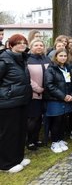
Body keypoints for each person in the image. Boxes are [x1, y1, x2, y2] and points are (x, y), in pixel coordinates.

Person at [0, 34, 32, 173]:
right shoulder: (4, 60)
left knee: (20, 131)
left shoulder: (23, 59)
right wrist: (6, 94)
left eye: (24, 42)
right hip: (8, 103)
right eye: (18, 43)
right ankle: (6, 164)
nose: (22, 45)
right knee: (9, 133)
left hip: (21, 101)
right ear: (11, 45)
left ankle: (17, 158)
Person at [44, 48, 72, 153]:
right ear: (56, 57)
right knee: (56, 120)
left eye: (65, 56)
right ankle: (54, 142)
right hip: (56, 99)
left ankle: (61, 139)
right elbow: (49, 85)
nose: (63, 58)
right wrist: (63, 96)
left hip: (68, 98)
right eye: (61, 56)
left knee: (64, 120)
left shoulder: (69, 68)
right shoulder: (51, 69)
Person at [26, 39, 51, 150]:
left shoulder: (47, 59)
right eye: (36, 45)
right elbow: (27, 77)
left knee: (40, 118)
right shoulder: (27, 59)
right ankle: (29, 141)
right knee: (33, 118)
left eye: (41, 45)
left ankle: (36, 138)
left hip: (46, 94)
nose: (39, 47)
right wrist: (38, 89)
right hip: (33, 94)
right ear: (31, 47)